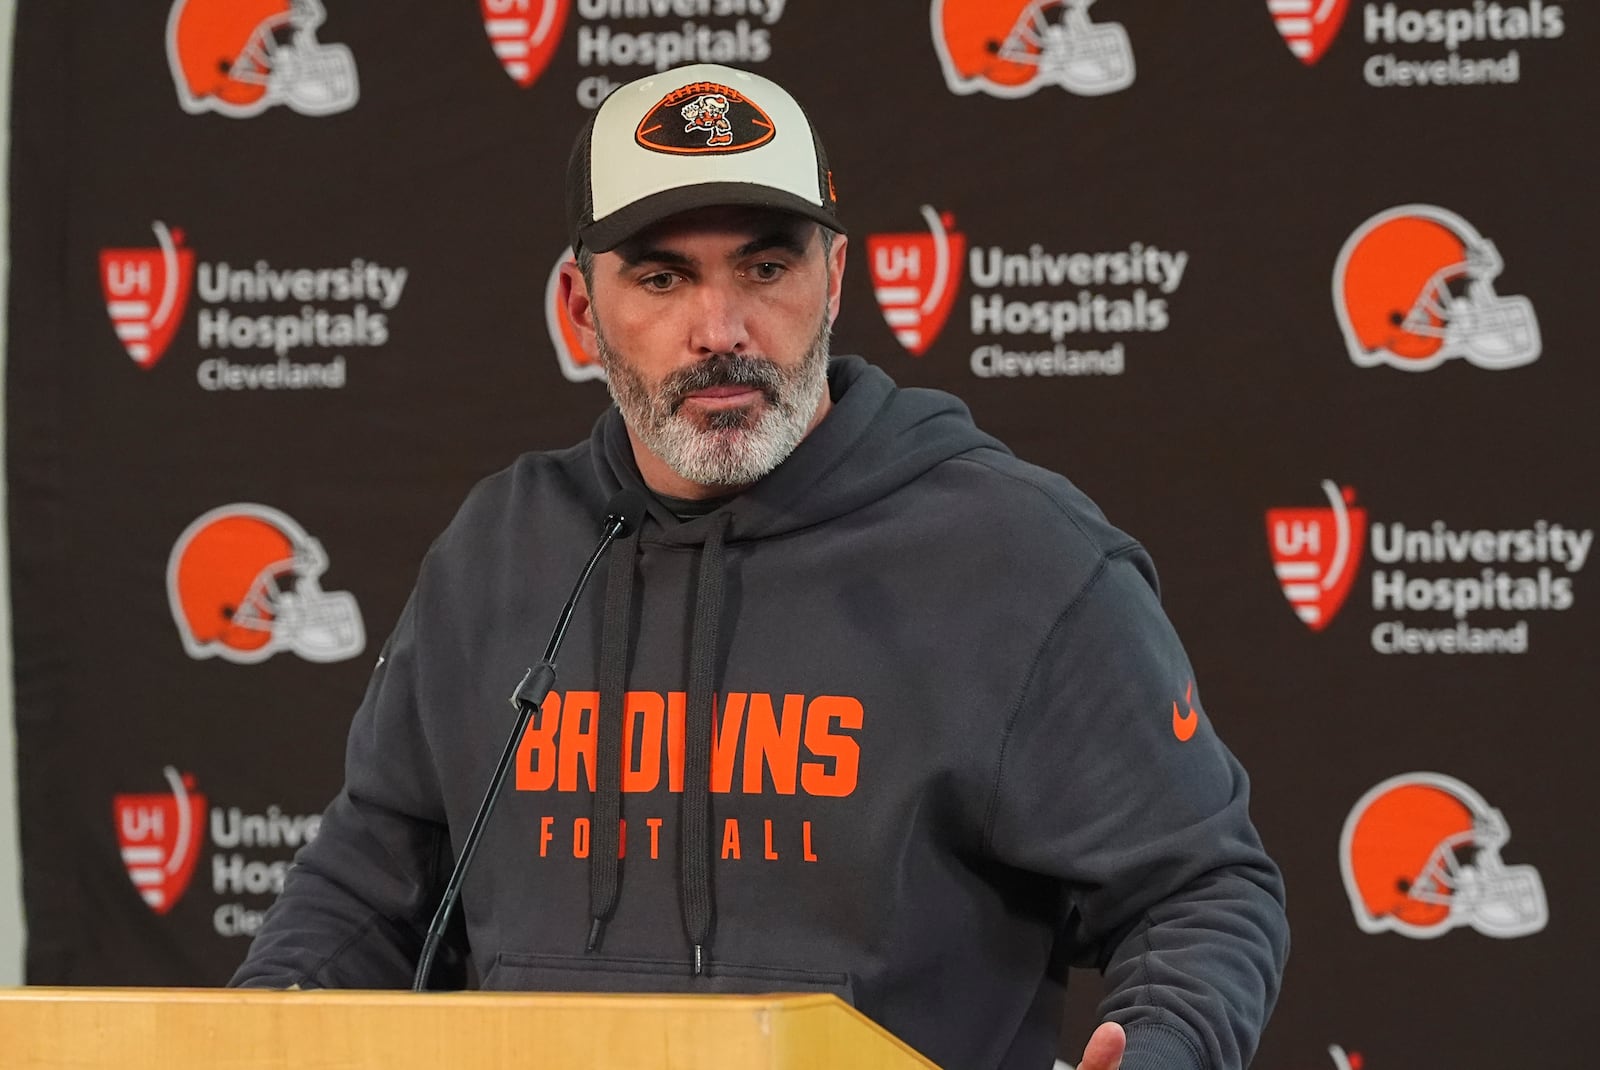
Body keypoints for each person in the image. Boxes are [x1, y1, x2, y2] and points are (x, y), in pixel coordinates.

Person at [231, 63, 1289, 1070]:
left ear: (834, 279)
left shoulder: (1019, 557)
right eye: (661, 276)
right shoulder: (498, 550)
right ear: (578, 309)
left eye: (766, 266)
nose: (720, 329)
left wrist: (1163, 1048)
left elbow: (1198, 888)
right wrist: (251, 1035)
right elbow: (367, 895)